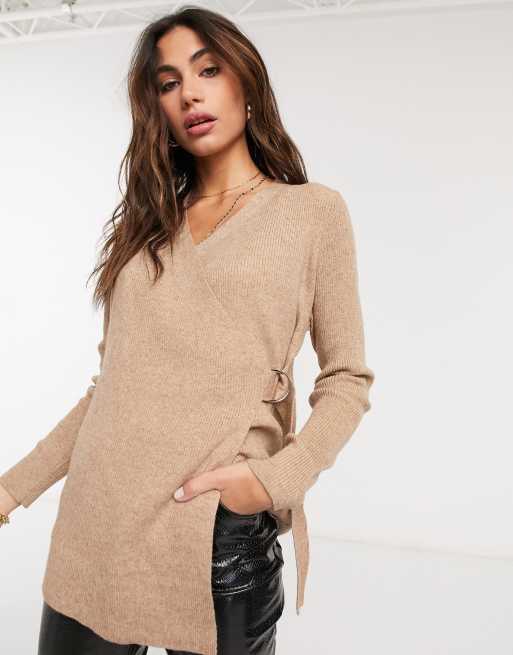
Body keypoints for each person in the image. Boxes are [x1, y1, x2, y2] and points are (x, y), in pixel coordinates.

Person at [0, 5, 375, 655]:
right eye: (169, 83)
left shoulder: (311, 213)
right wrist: (9, 490)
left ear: (246, 83)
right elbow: (110, 392)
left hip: (214, 538)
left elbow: (347, 378)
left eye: (208, 70)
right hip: (96, 527)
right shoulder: (145, 229)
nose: (190, 95)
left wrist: (275, 480)